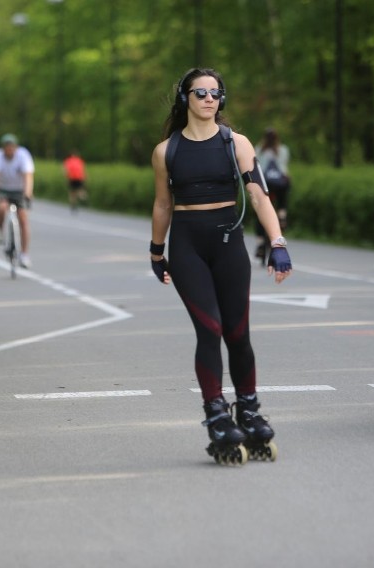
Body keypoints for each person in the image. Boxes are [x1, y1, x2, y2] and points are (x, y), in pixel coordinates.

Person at [149, 68, 292, 463]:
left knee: (238, 332)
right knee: (209, 329)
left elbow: (260, 196)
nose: (210, 99)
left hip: (230, 244)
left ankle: (248, 410)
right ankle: (216, 414)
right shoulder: (167, 151)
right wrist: (156, 252)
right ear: (185, 99)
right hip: (187, 247)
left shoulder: (237, 143)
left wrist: (277, 242)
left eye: (216, 93)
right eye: (201, 93)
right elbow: (163, 204)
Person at [0, 133, 35, 268]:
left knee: (23, 220)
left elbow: (28, 176)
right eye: (6, 147)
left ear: (16, 147)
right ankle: (0, 230)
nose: (9, 150)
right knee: (1, 208)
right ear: (3, 148)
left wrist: (27, 193)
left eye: (11, 147)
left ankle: (24, 254)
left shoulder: (23, 155)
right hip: (4, 189)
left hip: (19, 190)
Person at [253, 128, 291, 264]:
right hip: (280, 184)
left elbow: (255, 167)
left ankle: (260, 243)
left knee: (260, 209)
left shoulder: (259, 149)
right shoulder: (283, 149)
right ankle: (282, 215)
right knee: (283, 195)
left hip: (265, 184)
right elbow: (284, 167)